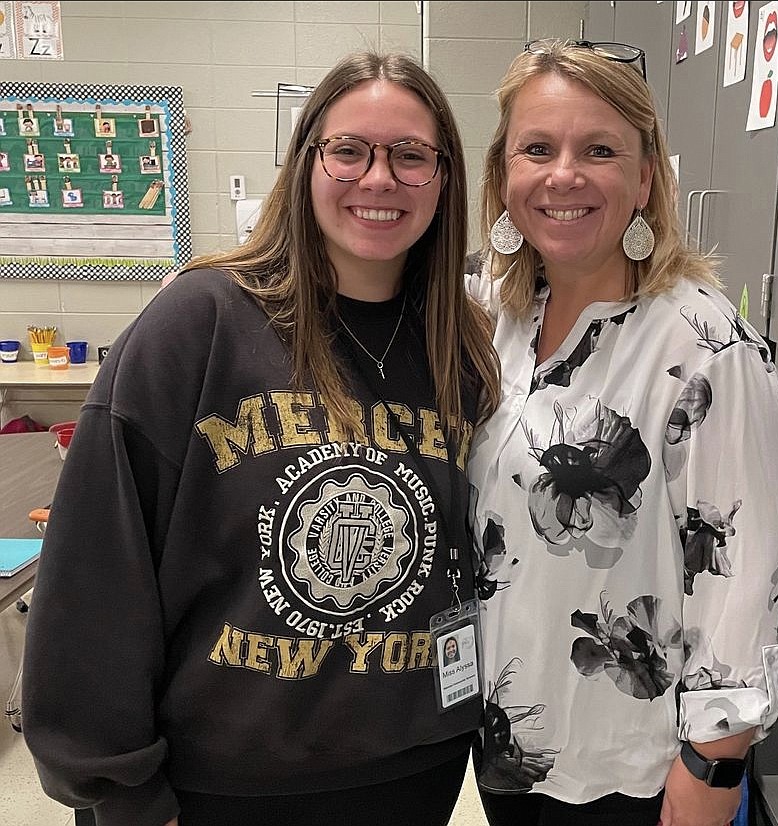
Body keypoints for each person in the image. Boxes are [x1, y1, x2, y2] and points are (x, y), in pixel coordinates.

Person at [22, 51, 499, 826]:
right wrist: (119, 790)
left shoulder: (460, 348)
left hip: (413, 773)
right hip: (220, 786)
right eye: (349, 150)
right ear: (306, 162)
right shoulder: (200, 324)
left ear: (443, 180)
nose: (379, 178)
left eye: (411, 156)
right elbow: (96, 573)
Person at [465, 38, 778, 826]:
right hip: (512, 750)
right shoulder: (499, 322)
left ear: (647, 177)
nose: (563, 175)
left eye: (600, 150)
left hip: (634, 773)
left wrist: (711, 771)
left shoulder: (704, 347)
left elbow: (749, 573)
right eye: (537, 149)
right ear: (503, 177)